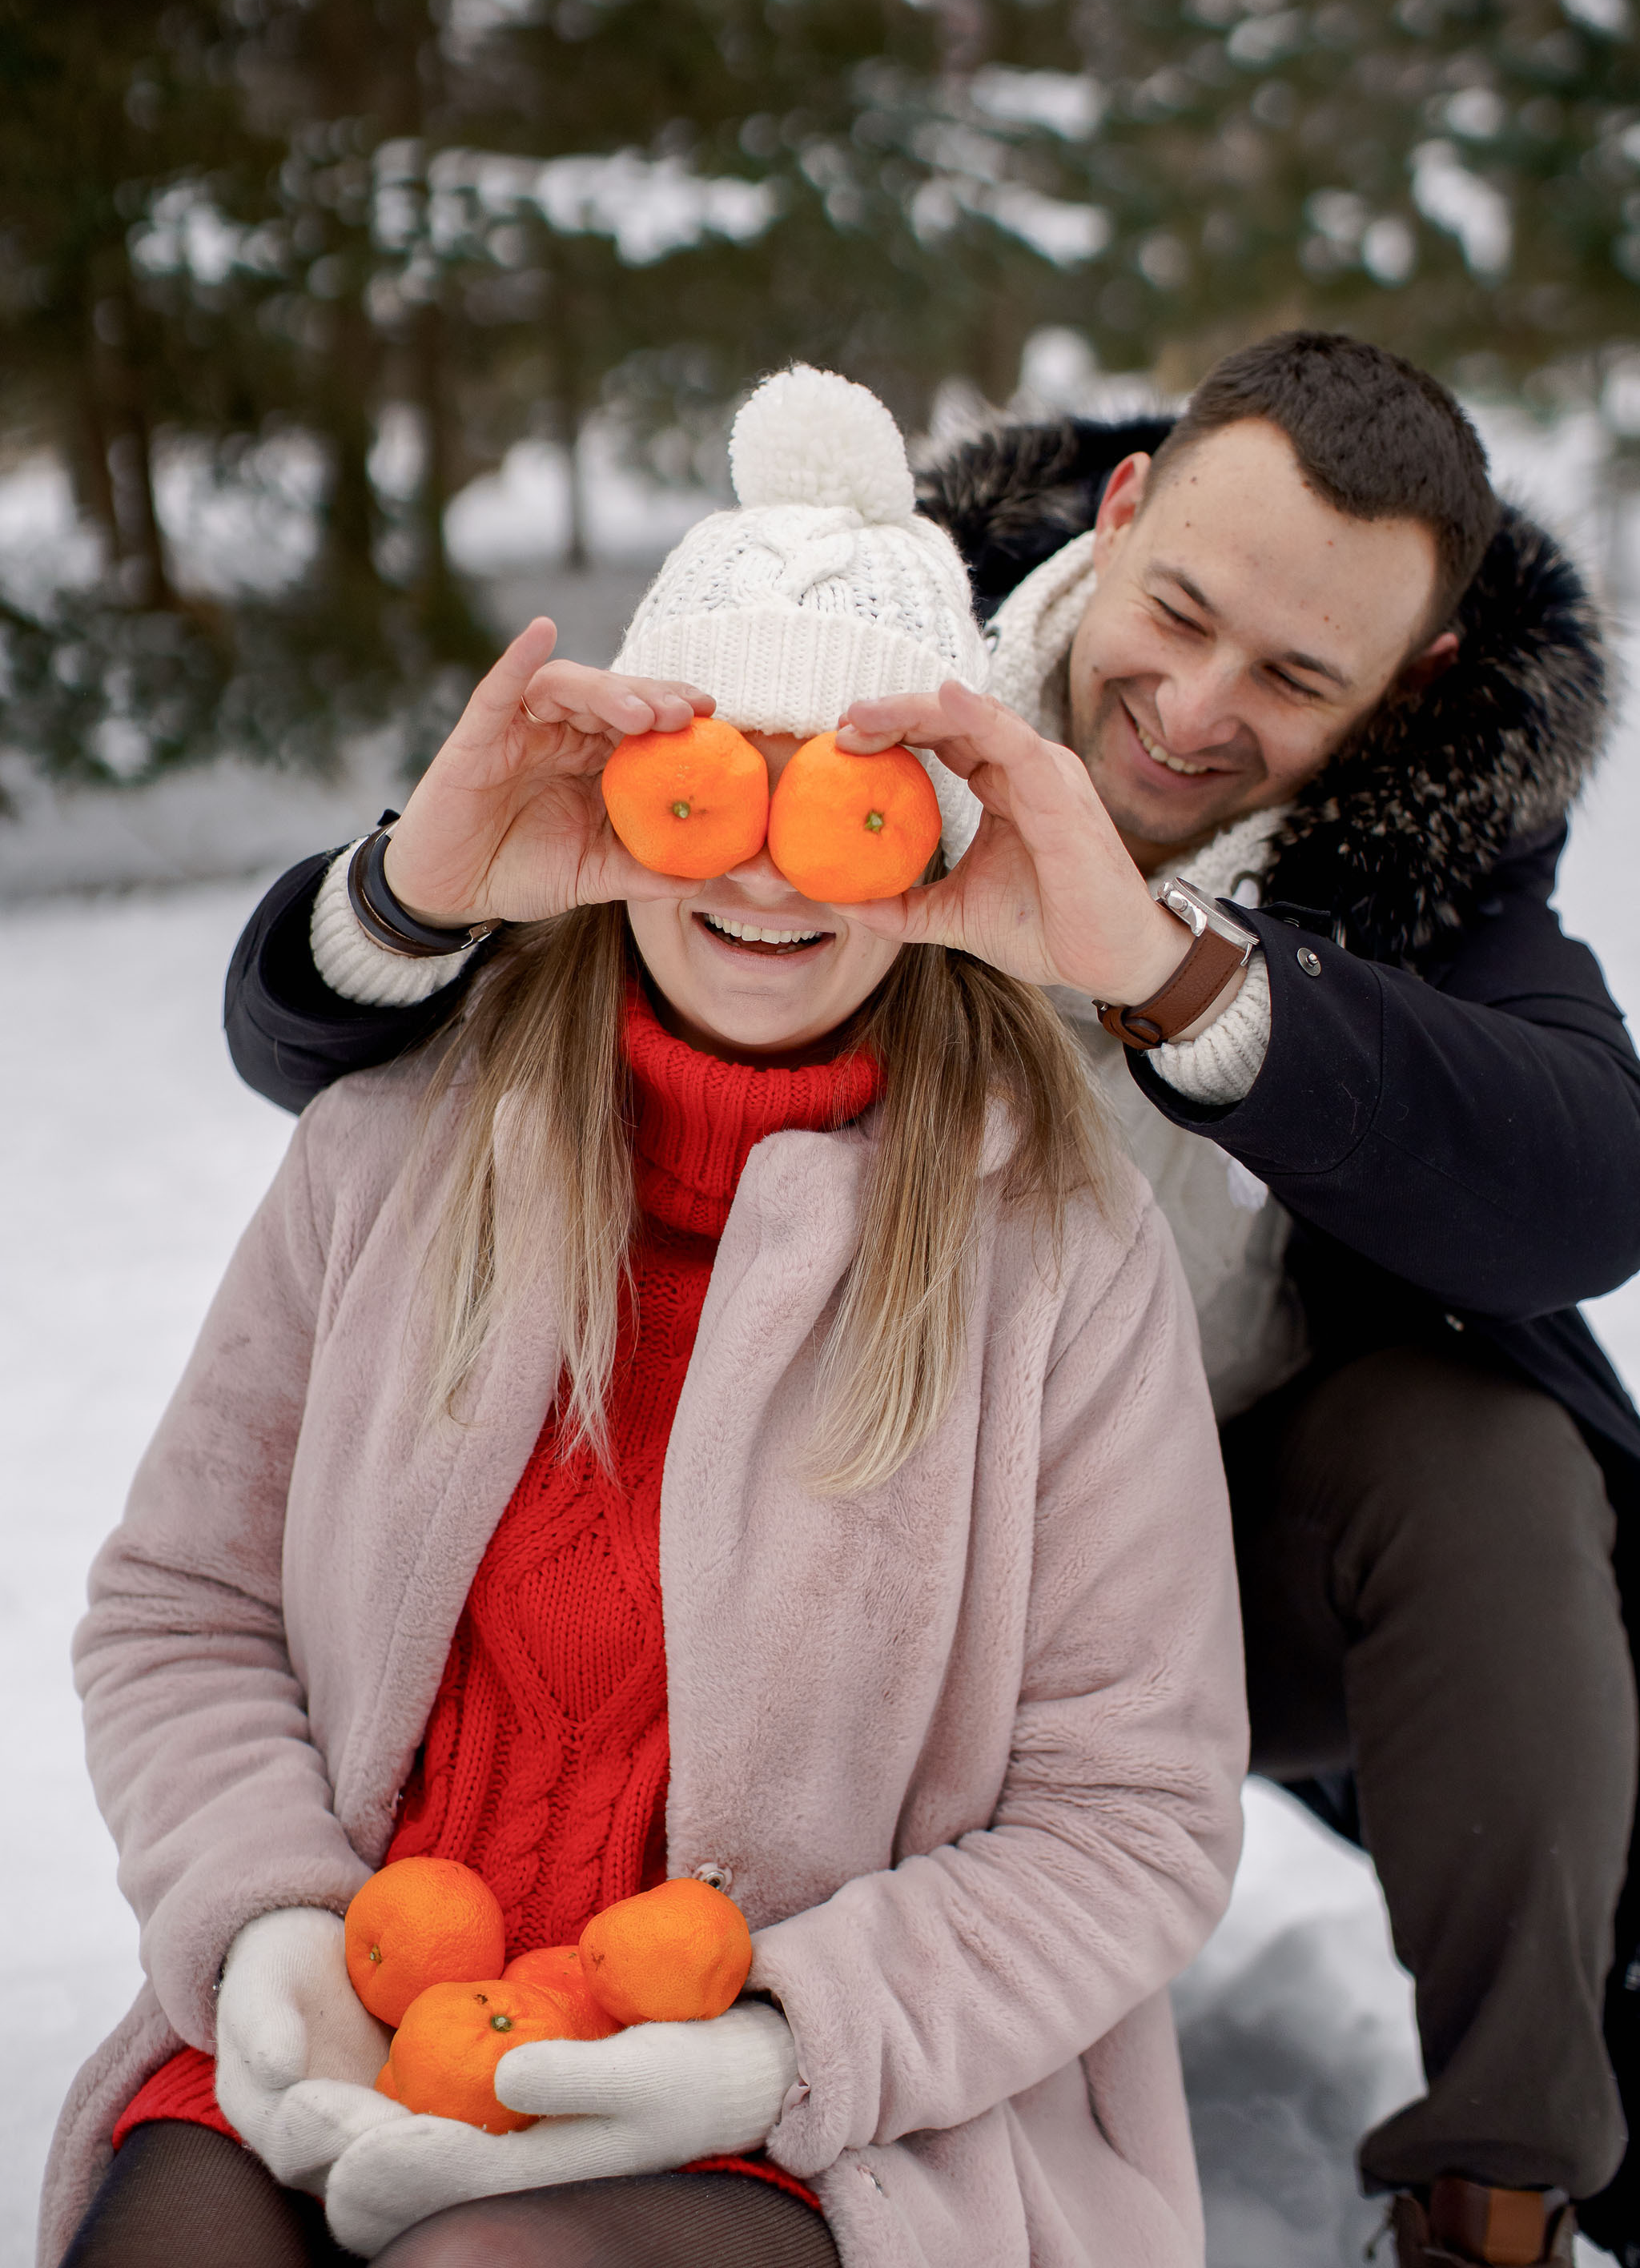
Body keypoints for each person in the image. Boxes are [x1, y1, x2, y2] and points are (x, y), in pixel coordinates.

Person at [212, 330, 1640, 2268]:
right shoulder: (838, 654)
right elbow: (341, 1034)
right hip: (831, 1517)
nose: (1198, 707)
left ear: (1413, 687)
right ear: (1119, 508)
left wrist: (1172, 975)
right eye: (1183, 613)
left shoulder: (1430, 870)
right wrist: (409, 898)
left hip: (1199, 1547)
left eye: (1297, 679)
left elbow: (1581, 1185)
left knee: (1492, 1459)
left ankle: (1496, 2184)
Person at [41, 367, 1247, 2268]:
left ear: (929, 841)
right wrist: (269, 1919)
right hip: (369, 2013)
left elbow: (1134, 1815)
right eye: (714, 789)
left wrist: (773, 2050)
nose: (768, 861)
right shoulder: (391, 1150)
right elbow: (179, 1610)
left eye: (840, 802)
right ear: (622, 796)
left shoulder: (1053, 1259)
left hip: (814, 2116)